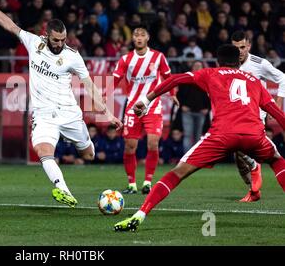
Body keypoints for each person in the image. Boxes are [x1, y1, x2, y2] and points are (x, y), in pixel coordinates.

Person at [0, 0, 122, 208]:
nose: (60, 44)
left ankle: (83, 143)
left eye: (63, 39)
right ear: (47, 35)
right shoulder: (34, 43)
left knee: (89, 154)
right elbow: (9, 25)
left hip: (69, 112)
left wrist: (107, 113)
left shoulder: (73, 57)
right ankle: (63, 189)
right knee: (43, 150)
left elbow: (90, 87)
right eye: (56, 40)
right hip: (43, 115)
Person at [114, 44, 285, 232]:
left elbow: (176, 79)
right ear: (239, 61)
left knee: (177, 173)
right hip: (254, 134)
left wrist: (146, 100)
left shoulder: (210, 73)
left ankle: (140, 214)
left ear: (218, 61)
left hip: (221, 135)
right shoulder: (254, 80)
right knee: (277, 161)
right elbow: (278, 114)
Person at [112, 24, 179, 195]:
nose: (139, 38)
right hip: (133, 107)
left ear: (147, 38)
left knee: (153, 142)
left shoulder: (158, 57)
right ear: (133, 39)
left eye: (142, 35)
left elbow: (167, 77)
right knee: (130, 146)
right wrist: (104, 96)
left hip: (153, 105)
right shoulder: (126, 59)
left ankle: (148, 181)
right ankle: (132, 184)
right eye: (136, 35)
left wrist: (172, 94)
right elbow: (115, 78)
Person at [231, 30, 285, 202]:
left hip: (255, 115)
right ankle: (253, 191)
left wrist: (277, 103)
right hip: (236, 114)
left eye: (242, 47)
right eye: (235, 47)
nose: (239, 51)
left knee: (241, 148)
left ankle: (256, 169)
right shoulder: (228, 63)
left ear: (248, 46)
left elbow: (283, 78)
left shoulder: (259, 63)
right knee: (239, 158)